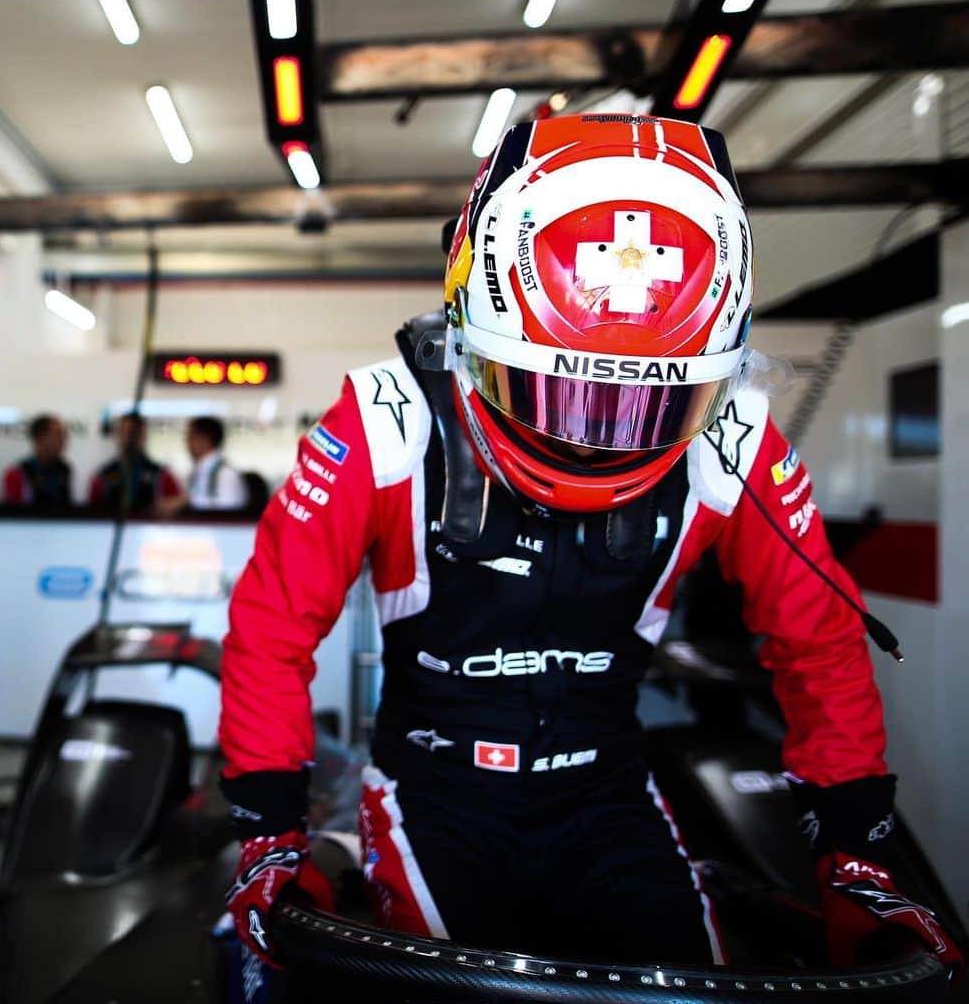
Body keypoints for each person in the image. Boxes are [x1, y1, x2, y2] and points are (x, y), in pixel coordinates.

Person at [218, 117, 963, 975]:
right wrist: (271, 836)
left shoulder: (738, 440)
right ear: (467, 337)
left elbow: (820, 644)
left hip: (607, 793)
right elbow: (273, 629)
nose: (599, 441)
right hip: (432, 795)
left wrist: (855, 855)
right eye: (558, 396)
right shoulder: (385, 420)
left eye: (648, 407)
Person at [87, 412, 180, 513]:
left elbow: (177, 506)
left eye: (135, 433)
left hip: (150, 527)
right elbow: (92, 513)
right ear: (118, 434)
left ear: (144, 435)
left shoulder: (162, 475)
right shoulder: (102, 477)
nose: (130, 438)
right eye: (125, 432)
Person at [159, 416, 248, 515]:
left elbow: (229, 506)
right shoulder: (197, 472)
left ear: (204, 439)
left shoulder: (225, 474)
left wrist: (185, 502)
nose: (186, 442)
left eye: (190, 436)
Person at [1, 413, 73, 508]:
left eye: (64, 436)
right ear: (40, 438)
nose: (63, 441)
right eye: (58, 435)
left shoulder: (64, 470)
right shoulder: (17, 474)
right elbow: (10, 516)